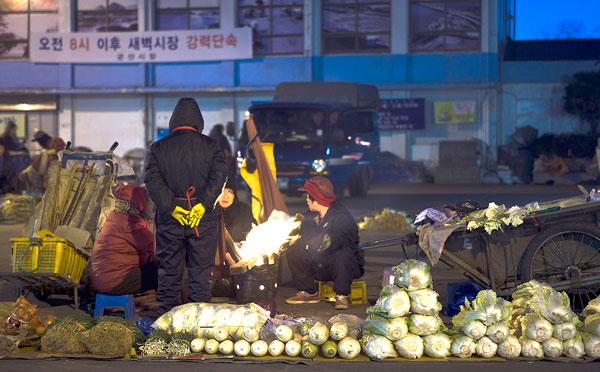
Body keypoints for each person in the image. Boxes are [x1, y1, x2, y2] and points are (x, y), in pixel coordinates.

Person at [145, 97, 228, 315]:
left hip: (171, 218)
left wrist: (172, 207)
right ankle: (197, 327)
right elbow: (220, 176)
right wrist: (202, 206)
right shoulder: (211, 146)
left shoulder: (158, 147)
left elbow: (152, 181)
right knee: (200, 275)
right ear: (198, 122)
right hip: (203, 219)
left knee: (169, 275)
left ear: (174, 121)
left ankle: (166, 326)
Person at [285, 176, 364, 310]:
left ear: (317, 198)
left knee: (342, 252)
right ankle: (308, 293)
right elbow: (302, 233)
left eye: (309, 197)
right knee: (294, 250)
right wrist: (295, 237)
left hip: (342, 268)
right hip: (319, 264)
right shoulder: (310, 216)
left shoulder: (341, 215)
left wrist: (330, 240)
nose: (306, 200)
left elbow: (346, 237)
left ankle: (342, 295)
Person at [90, 185, 157, 295]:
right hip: (113, 283)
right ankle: (171, 306)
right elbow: (157, 250)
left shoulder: (115, 218)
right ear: (141, 203)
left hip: (102, 280)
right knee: (164, 270)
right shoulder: (131, 225)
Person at [219, 178, 256, 242]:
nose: (225, 196)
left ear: (234, 195)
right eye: (222, 192)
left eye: (229, 193)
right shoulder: (211, 212)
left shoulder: (244, 210)